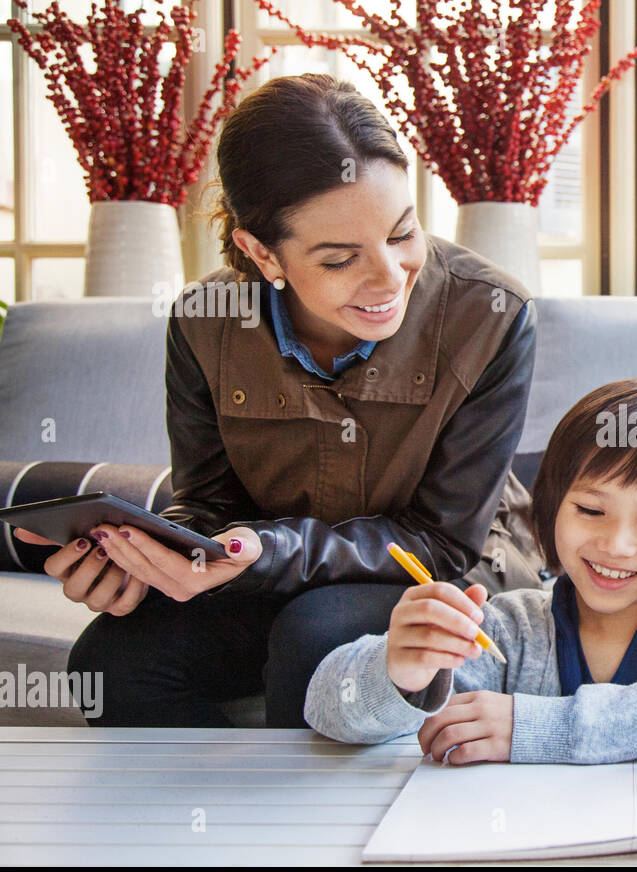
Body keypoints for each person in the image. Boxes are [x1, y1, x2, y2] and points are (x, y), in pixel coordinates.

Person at [15, 74, 543, 728]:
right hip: (271, 573)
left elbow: (440, 541)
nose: (389, 277)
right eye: (339, 258)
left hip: (442, 575)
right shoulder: (205, 321)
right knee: (113, 659)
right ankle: (204, 824)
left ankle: (316, 830)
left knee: (316, 636)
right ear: (263, 253)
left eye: (402, 233)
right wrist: (153, 565)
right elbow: (209, 503)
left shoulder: (492, 315)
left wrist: (264, 552)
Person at [304, 379, 637, 762]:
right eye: (591, 511)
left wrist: (536, 728)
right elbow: (327, 709)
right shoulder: (509, 627)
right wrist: (399, 669)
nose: (616, 545)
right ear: (549, 510)